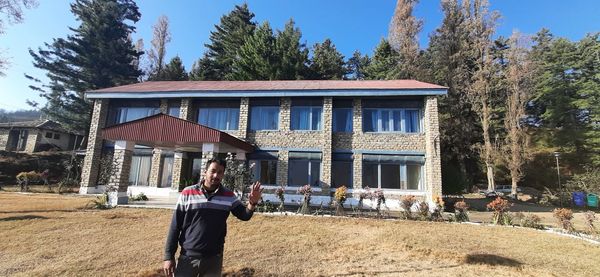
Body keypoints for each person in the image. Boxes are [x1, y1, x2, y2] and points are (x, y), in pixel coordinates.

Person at [163, 158, 262, 277]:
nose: (216, 175)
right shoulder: (187, 193)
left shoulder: (228, 196)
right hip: (188, 258)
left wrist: (252, 203)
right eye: (213, 171)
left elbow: (244, 215)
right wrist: (169, 257)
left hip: (214, 260)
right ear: (205, 172)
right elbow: (175, 226)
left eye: (220, 172)